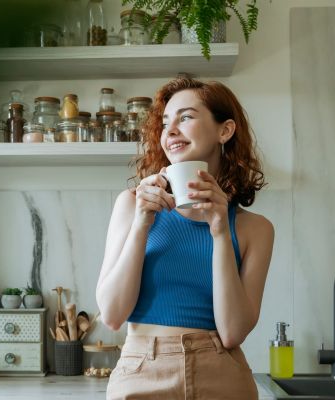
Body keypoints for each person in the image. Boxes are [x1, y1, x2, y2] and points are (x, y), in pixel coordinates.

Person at [96, 77, 274, 400]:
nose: (171, 131)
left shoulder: (255, 229)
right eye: (165, 123)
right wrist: (141, 225)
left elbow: (233, 333)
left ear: (225, 130)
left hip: (223, 376)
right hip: (141, 373)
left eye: (185, 117)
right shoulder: (131, 205)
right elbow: (111, 314)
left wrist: (220, 231)